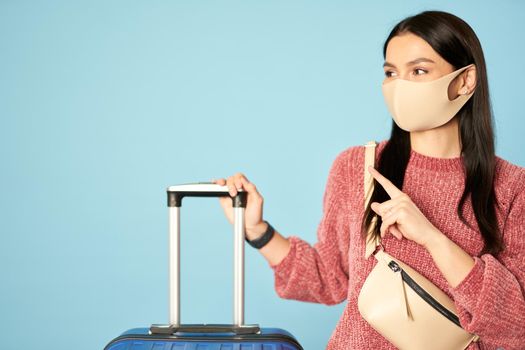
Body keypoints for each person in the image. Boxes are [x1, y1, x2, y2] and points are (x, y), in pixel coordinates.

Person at [213, 10, 525, 350]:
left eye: (419, 70)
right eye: (391, 73)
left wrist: (432, 239)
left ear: (465, 80)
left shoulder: (511, 187)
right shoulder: (356, 167)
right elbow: (329, 279)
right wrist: (257, 230)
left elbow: (515, 325)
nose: (399, 85)